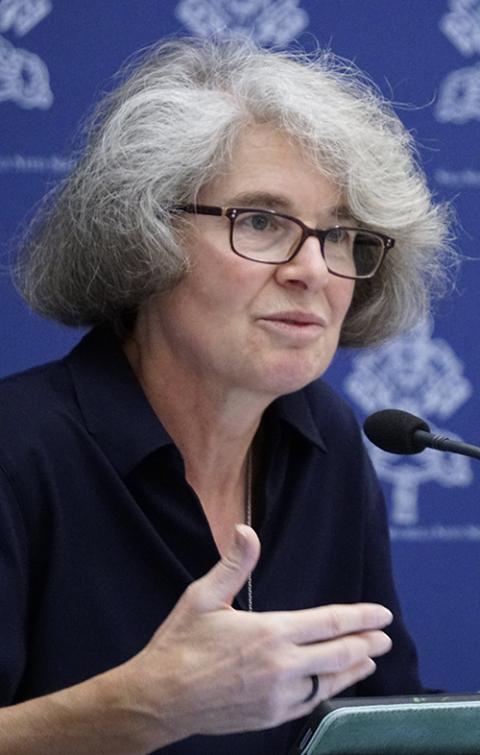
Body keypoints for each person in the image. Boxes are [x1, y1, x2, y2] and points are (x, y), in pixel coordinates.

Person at [0, 37, 453, 754]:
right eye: (263, 221)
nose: (313, 268)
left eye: (340, 234)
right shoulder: (18, 452)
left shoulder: (327, 441)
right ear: (142, 234)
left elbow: (382, 720)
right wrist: (141, 707)